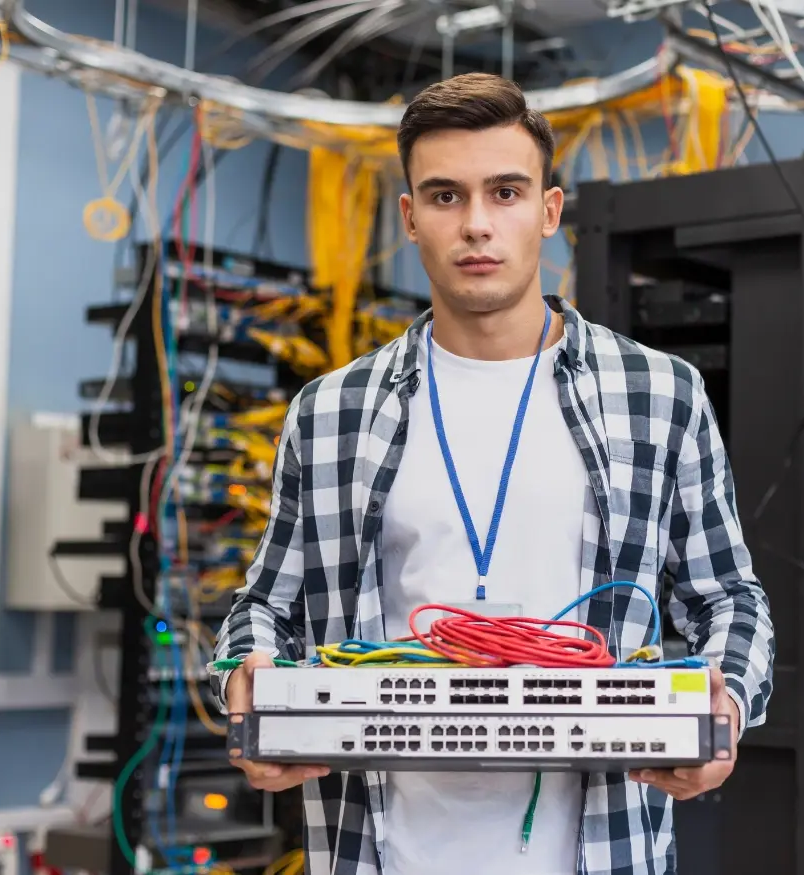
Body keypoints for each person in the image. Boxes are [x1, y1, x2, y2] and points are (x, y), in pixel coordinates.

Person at [214, 72, 775, 875]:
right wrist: (246, 683)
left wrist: (725, 710)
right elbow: (265, 605)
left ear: (549, 211)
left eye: (505, 191)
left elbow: (730, 597)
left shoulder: (657, 394)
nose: (477, 224)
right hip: (378, 851)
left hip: (600, 849)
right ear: (410, 218)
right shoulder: (330, 411)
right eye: (445, 197)